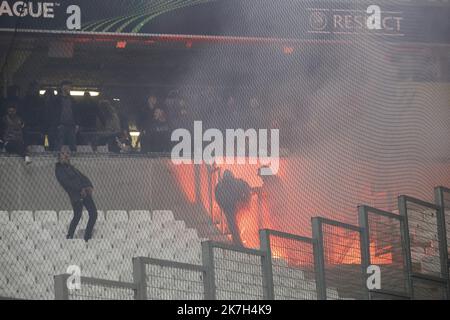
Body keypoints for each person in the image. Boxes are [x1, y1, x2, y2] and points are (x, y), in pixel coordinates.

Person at [55, 150, 98, 242]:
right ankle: (70, 236)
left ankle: (87, 236)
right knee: (77, 215)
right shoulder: (59, 169)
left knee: (93, 213)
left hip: (85, 193)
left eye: (67, 153)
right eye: (63, 153)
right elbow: (66, 182)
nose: (66, 155)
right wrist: (80, 188)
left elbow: (83, 177)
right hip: (76, 195)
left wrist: (89, 186)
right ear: (59, 157)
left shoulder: (72, 167)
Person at [214, 170, 252, 247]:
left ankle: (237, 243)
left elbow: (217, 197)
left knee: (233, 225)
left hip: (230, 207)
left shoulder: (220, 185)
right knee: (234, 225)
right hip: (233, 206)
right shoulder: (237, 182)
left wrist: (246, 201)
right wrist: (246, 200)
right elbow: (247, 188)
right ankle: (238, 243)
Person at [50, 81, 79, 152]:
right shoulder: (56, 100)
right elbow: (53, 113)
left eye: (69, 87)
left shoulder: (72, 100)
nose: (68, 88)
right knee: (58, 144)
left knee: (72, 144)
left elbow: (76, 113)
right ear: (62, 87)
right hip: (61, 125)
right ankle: (56, 158)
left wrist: (77, 124)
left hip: (71, 125)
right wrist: (56, 124)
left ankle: (74, 160)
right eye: (67, 87)